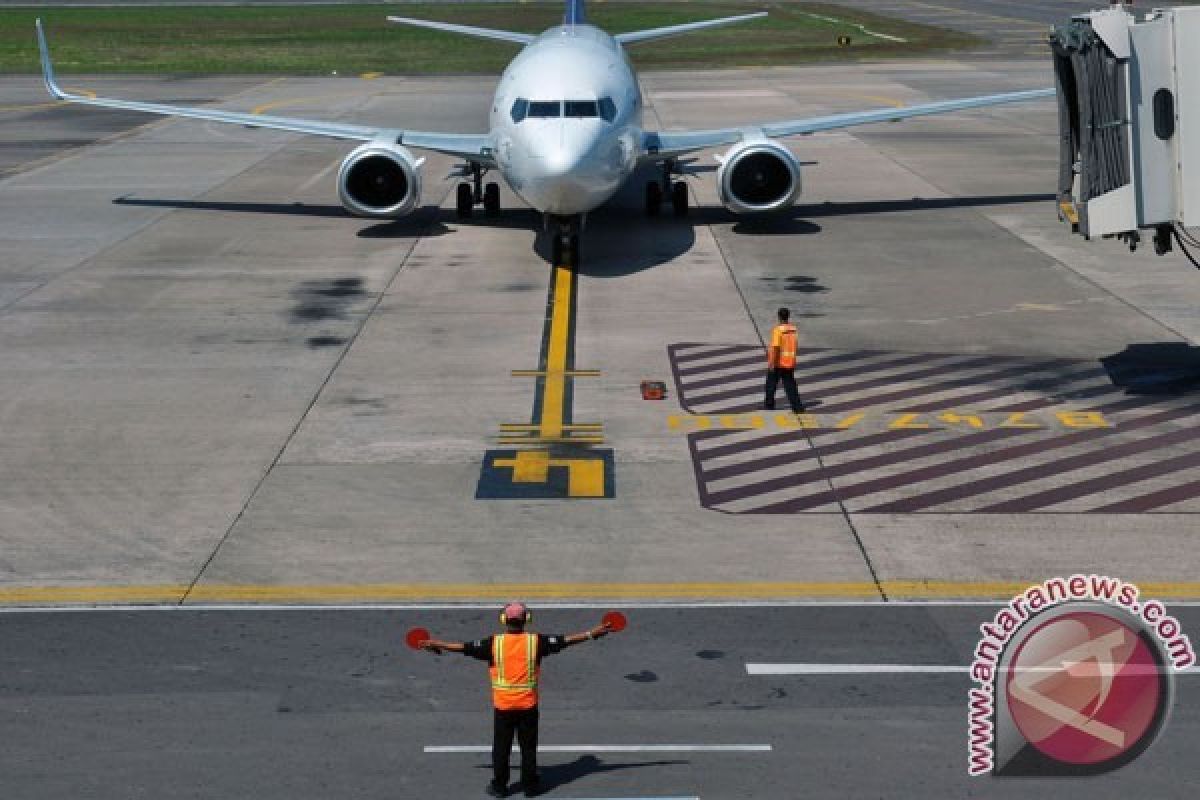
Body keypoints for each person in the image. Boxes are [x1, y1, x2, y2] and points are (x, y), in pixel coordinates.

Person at [419, 602, 616, 798]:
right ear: (526, 619)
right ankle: (530, 787)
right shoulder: (535, 642)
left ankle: (500, 787)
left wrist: (436, 643)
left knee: (501, 749)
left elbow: (463, 648)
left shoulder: (494, 643)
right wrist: (592, 633)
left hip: (503, 707)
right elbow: (565, 640)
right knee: (528, 749)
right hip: (528, 706)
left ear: (504, 619)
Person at [764, 306, 804, 412]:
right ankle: (797, 407)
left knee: (771, 385)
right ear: (788, 317)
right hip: (789, 362)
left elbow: (776, 347)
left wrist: (772, 363)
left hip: (778, 362)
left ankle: (769, 405)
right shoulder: (793, 329)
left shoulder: (778, 330)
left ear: (779, 317)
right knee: (790, 386)